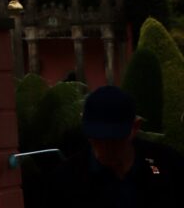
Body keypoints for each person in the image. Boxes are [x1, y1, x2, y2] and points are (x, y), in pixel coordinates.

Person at [46, 85, 184, 207]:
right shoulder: (68, 179)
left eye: (113, 139)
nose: (102, 149)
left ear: (135, 127)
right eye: (96, 138)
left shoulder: (168, 166)